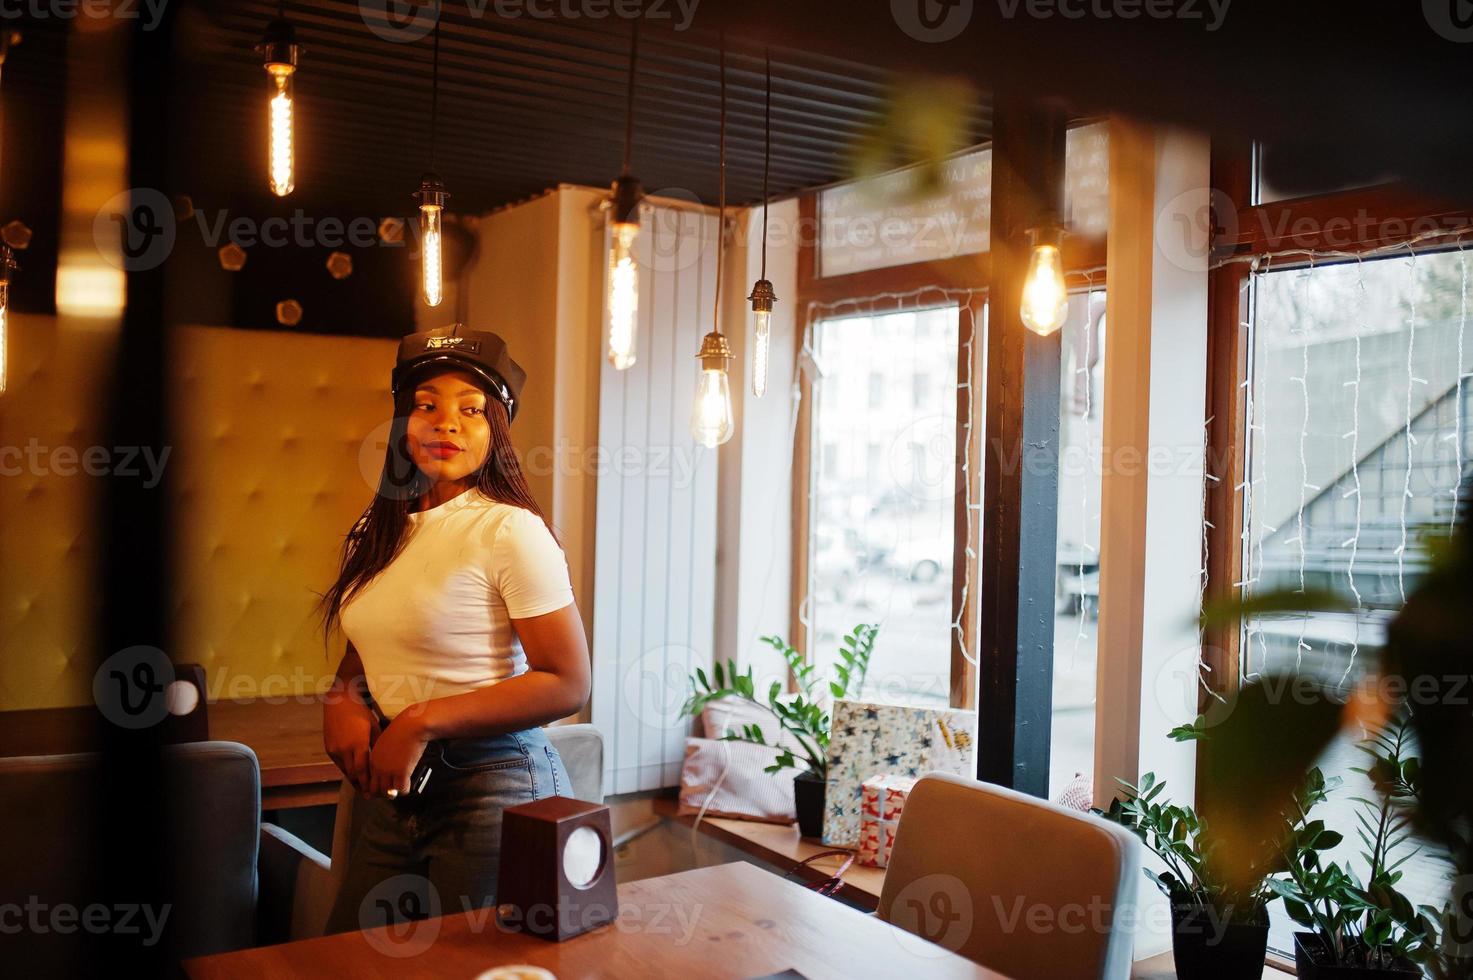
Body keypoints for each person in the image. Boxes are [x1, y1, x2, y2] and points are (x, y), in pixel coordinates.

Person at [317, 325, 590, 934]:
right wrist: (341, 698)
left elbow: (568, 684)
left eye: (471, 410)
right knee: (351, 961)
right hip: (396, 785)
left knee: (478, 968)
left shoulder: (509, 530)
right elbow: (368, 652)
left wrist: (419, 720)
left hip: (495, 781)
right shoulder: (377, 529)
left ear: (497, 431)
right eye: (426, 405)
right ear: (402, 424)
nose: (446, 423)